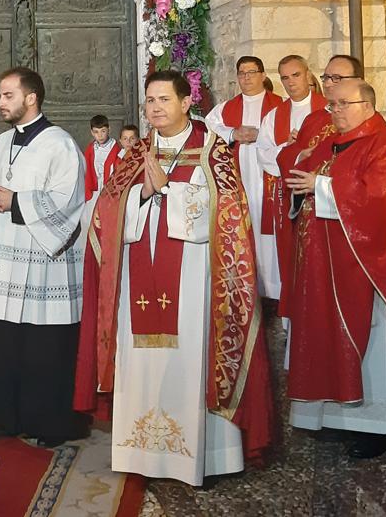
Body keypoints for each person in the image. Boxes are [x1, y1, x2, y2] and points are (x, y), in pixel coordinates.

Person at [75, 70, 274, 487]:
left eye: (164, 100)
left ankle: (204, 457)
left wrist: (169, 191)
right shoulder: (137, 152)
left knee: (192, 358)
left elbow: (229, 210)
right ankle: (142, 455)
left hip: (194, 276)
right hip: (137, 277)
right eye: (149, 101)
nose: (155, 108)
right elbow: (106, 211)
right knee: (141, 361)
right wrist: (142, 193)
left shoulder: (212, 149)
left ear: (187, 103)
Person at [284, 79, 386, 459]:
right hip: (326, 268)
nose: (335, 111)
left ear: (367, 104)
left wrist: (321, 187)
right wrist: (299, 189)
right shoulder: (329, 145)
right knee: (329, 338)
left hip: (371, 272)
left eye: (343, 104)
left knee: (375, 348)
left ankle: (381, 427)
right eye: (332, 105)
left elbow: (379, 204)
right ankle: (339, 418)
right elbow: (303, 182)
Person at [0, 68, 87, 445]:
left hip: (43, 266)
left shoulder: (60, 144)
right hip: (7, 261)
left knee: (43, 346)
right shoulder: (3, 141)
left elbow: (69, 200)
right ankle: (5, 416)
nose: (0, 102)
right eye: (1, 95)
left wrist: (16, 202)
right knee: (6, 341)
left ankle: (47, 421)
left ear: (31, 97)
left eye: (8, 95)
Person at [204, 56, 284, 299]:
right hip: (238, 179)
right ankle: (247, 286)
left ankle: (274, 290)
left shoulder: (280, 106)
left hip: (268, 180)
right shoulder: (226, 109)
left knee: (269, 232)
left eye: (251, 72)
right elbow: (207, 128)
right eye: (242, 73)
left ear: (262, 75)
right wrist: (233, 133)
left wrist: (262, 136)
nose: (246, 77)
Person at [255, 55, 325, 301]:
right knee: (290, 254)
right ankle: (291, 315)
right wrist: (290, 147)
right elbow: (263, 154)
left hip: (322, 196)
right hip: (288, 196)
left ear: (307, 75)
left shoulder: (328, 109)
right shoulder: (274, 117)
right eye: (285, 77)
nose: (291, 82)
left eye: (296, 75)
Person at [83, 115, 121, 203]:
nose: (100, 135)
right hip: (94, 188)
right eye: (96, 132)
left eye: (103, 131)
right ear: (92, 132)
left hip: (109, 187)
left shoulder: (116, 149)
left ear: (109, 130)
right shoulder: (90, 149)